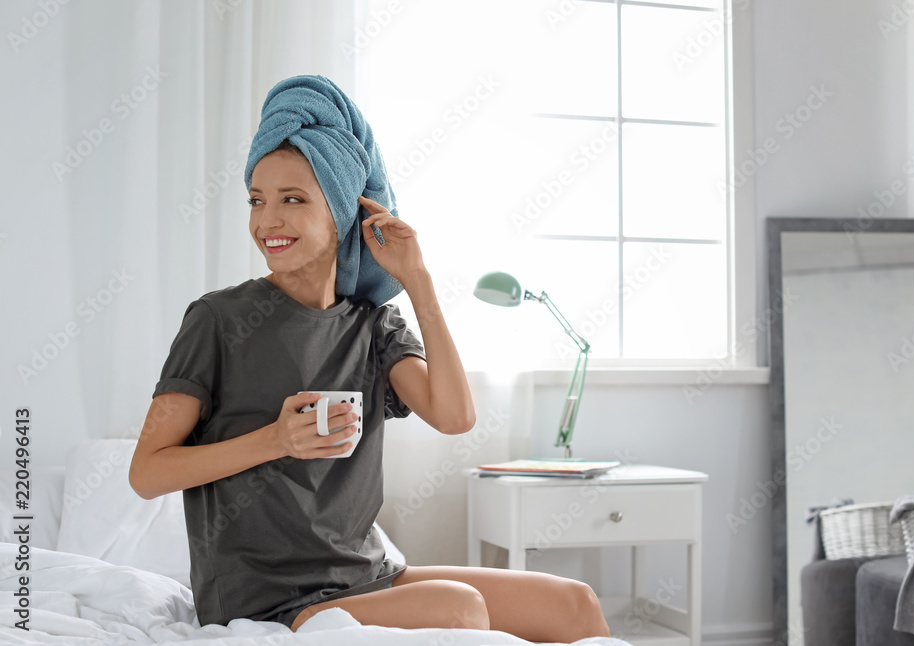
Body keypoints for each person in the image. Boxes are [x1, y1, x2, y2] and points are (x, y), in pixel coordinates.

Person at [128, 75, 609, 641]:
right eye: (257, 200)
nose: (266, 221)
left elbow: (454, 417)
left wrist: (418, 281)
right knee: (460, 608)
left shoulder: (373, 325)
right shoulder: (218, 319)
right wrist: (275, 440)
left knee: (574, 604)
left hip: (366, 575)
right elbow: (147, 473)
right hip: (269, 598)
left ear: (341, 212)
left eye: (292, 200)